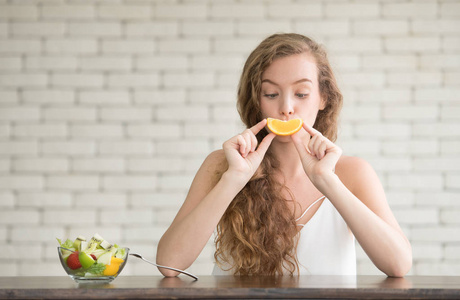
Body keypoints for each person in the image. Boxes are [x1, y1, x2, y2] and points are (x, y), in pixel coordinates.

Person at [156, 33, 412, 277]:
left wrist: (327, 180)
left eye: (301, 94)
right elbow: (169, 264)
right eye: (271, 94)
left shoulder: (352, 173)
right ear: (256, 101)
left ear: (324, 98)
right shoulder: (222, 165)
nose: (286, 108)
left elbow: (398, 265)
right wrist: (234, 179)